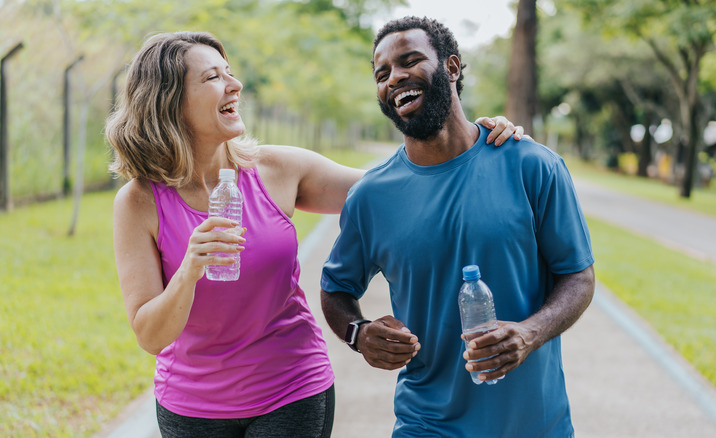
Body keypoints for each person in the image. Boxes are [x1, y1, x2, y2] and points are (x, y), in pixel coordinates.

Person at [105, 31, 522, 438]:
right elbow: (150, 335)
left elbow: (402, 186)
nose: (235, 84)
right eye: (213, 77)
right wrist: (188, 271)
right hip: (191, 406)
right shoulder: (138, 203)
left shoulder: (277, 169)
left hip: (291, 389)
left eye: (229, 71)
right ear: (169, 102)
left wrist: (477, 139)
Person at [320, 16, 596, 438]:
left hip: (536, 424)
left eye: (410, 60)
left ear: (452, 67)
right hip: (425, 423)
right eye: (382, 73)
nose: (395, 78)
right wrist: (359, 333)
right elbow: (335, 288)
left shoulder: (532, 165)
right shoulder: (371, 196)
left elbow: (578, 276)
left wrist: (529, 333)